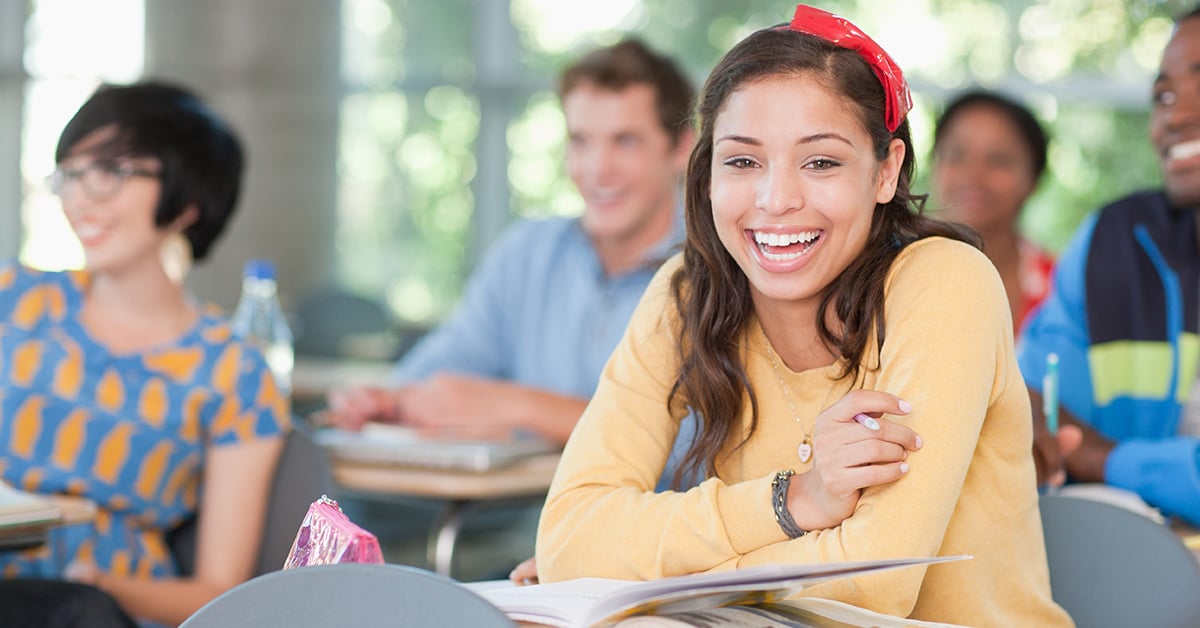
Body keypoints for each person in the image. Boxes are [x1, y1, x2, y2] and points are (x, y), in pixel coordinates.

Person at [534, 5, 1070, 625]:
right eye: (742, 161)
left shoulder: (945, 283)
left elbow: (871, 586)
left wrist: (637, 580)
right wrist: (795, 501)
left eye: (820, 162)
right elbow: (568, 538)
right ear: (707, 174)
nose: (776, 199)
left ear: (886, 171)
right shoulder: (686, 293)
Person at [0, 81, 289, 626]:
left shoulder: (233, 372)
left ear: (185, 201)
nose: (81, 197)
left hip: (90, 608)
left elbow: (220, 592)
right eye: (71, 174)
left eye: (110, 172)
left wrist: (106, 584)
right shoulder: (13, 300)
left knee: (79, 611)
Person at [325, 38, 695, 446]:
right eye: (580, 141)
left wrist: (518, 406)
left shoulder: (716, 270)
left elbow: (696, 441)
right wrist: (390, 400)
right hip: (515, 507)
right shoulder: (528, 253)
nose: (597, 169)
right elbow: (452, 360)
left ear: (681, 147)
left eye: (625, 141)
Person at [1021, 6, 1200, 523]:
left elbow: (1081, 448)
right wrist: (1029, 417)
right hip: (1129, 571)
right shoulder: (1115, 241)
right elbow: (1033, 397)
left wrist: (1105, 458)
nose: (1175, 115)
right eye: (1163, 96)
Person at [931, 89, 1054, 332]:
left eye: (999, 160)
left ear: (1034, 179)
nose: (974, 175)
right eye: (957, 154)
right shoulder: (880, 274)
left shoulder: (1062, 291)